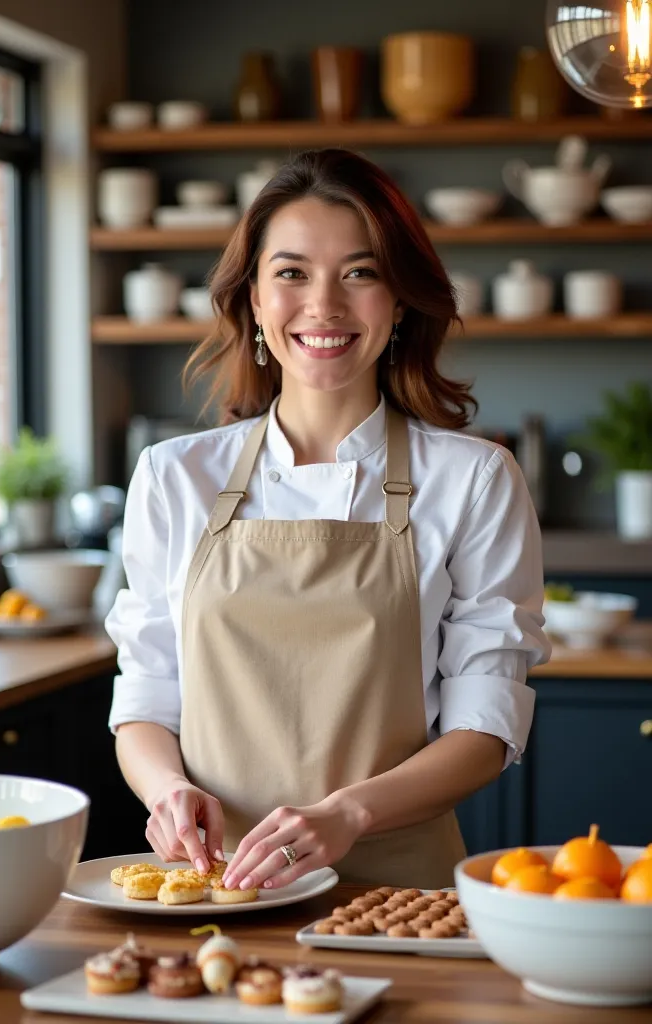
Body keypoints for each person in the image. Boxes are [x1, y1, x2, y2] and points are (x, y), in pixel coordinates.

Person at [105, 148, 550, 892]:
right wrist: (165, 792)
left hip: (398, 891)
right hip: (218, 885)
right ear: (252, 298)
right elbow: (146, 695)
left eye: (360, 273)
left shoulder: (474, 479)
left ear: (401, 299)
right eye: (292, 273)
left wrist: (347, 814)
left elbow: (487, 724)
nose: (325, 306)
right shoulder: (174, 476)